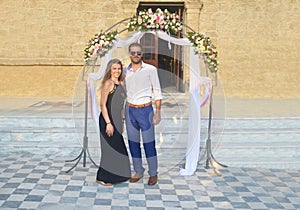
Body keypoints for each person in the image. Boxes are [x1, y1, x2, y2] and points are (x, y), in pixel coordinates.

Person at [125, 43, 162, 185]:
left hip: (146, 110)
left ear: (142, 54)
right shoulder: (124, 70)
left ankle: (153, 173)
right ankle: (138, 171)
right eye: (133, 53)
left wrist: (158, 112)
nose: (136, 55)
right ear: (129, 54)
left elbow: (157, 91)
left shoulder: (150, 70)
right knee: (133, 143)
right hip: (130, 110)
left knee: (149, 143)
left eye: (138, 53)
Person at [96, 58, 131, 186]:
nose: (117, 71)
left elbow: (121, 105)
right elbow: (103, 105)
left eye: (119, 68)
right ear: (110, 70)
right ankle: (105, 178)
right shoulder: (108, 83)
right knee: (109, 149)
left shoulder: (121, 83)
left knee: (119, 148)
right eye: (114, 69)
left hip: (116, 119)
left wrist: (121, 122)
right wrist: (109, 123)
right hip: (107, 120)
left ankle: (114, 175)